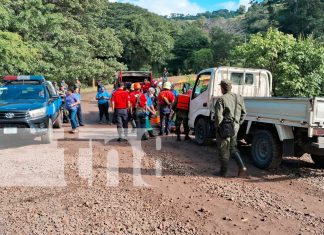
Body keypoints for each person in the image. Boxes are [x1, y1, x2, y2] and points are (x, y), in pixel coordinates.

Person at [214, 79, 247, 177]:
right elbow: (244, 113)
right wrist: (238, 123)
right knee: (233, 147)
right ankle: (242, 167)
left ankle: (223, 172)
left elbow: (218, 116)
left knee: (224, 148)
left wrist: (218, 127)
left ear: (222, 88)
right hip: (235, 127)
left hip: (225, 127)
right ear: (230, 87)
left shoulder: (222, 99)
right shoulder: (239, 97)